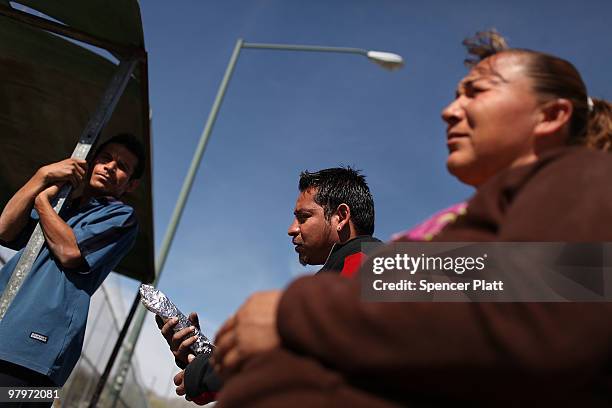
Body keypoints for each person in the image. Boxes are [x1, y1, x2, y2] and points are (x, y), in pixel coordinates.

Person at [207, 32, 612, 407]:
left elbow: (556, 290)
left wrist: (289, 313)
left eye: (477, 91)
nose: (449, 110)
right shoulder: (474, 222)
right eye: (456, 94)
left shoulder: (585, 174)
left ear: (551, 115)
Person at [159, 167, 382, 404]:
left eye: (304, 217)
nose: (292, 229)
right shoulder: (339, 276)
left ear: (341, 216)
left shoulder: (376, 262)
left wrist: (212, 370)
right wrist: (202, 359)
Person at [0, 134, 144, 395]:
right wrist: (41, 176)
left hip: (35, 352)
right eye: (105, 158)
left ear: (131, 185)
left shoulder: (121, 216)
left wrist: (42, 201)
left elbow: (69, 252)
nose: (110, 167)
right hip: (4, 322)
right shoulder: (62, 205)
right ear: (92, 163)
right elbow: (5, 229)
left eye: (122, 166)